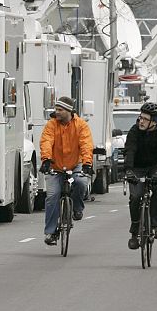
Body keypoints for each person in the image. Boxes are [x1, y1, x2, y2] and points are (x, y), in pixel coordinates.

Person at [39, 96, 93, 246]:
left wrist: (87, 163)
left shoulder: (81, 125)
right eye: (56, 109)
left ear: (69, 111)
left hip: (75, 163)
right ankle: (50, 232)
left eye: (60, 110)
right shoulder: (51, 125)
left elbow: (86, 144)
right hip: (55, 165)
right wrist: (46, 159)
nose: (57, 112)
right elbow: (46, 141)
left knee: (81, 182)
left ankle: (77, 208)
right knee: (52, 196)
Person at [124, 102, 157, 250]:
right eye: (140, 117)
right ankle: (135, 231)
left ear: (154, 121)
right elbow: (129, 150)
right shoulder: (134, 130)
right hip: (137, 167)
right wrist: (129, 170)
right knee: (136, 196)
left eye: (145, 119)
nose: (141, 121)